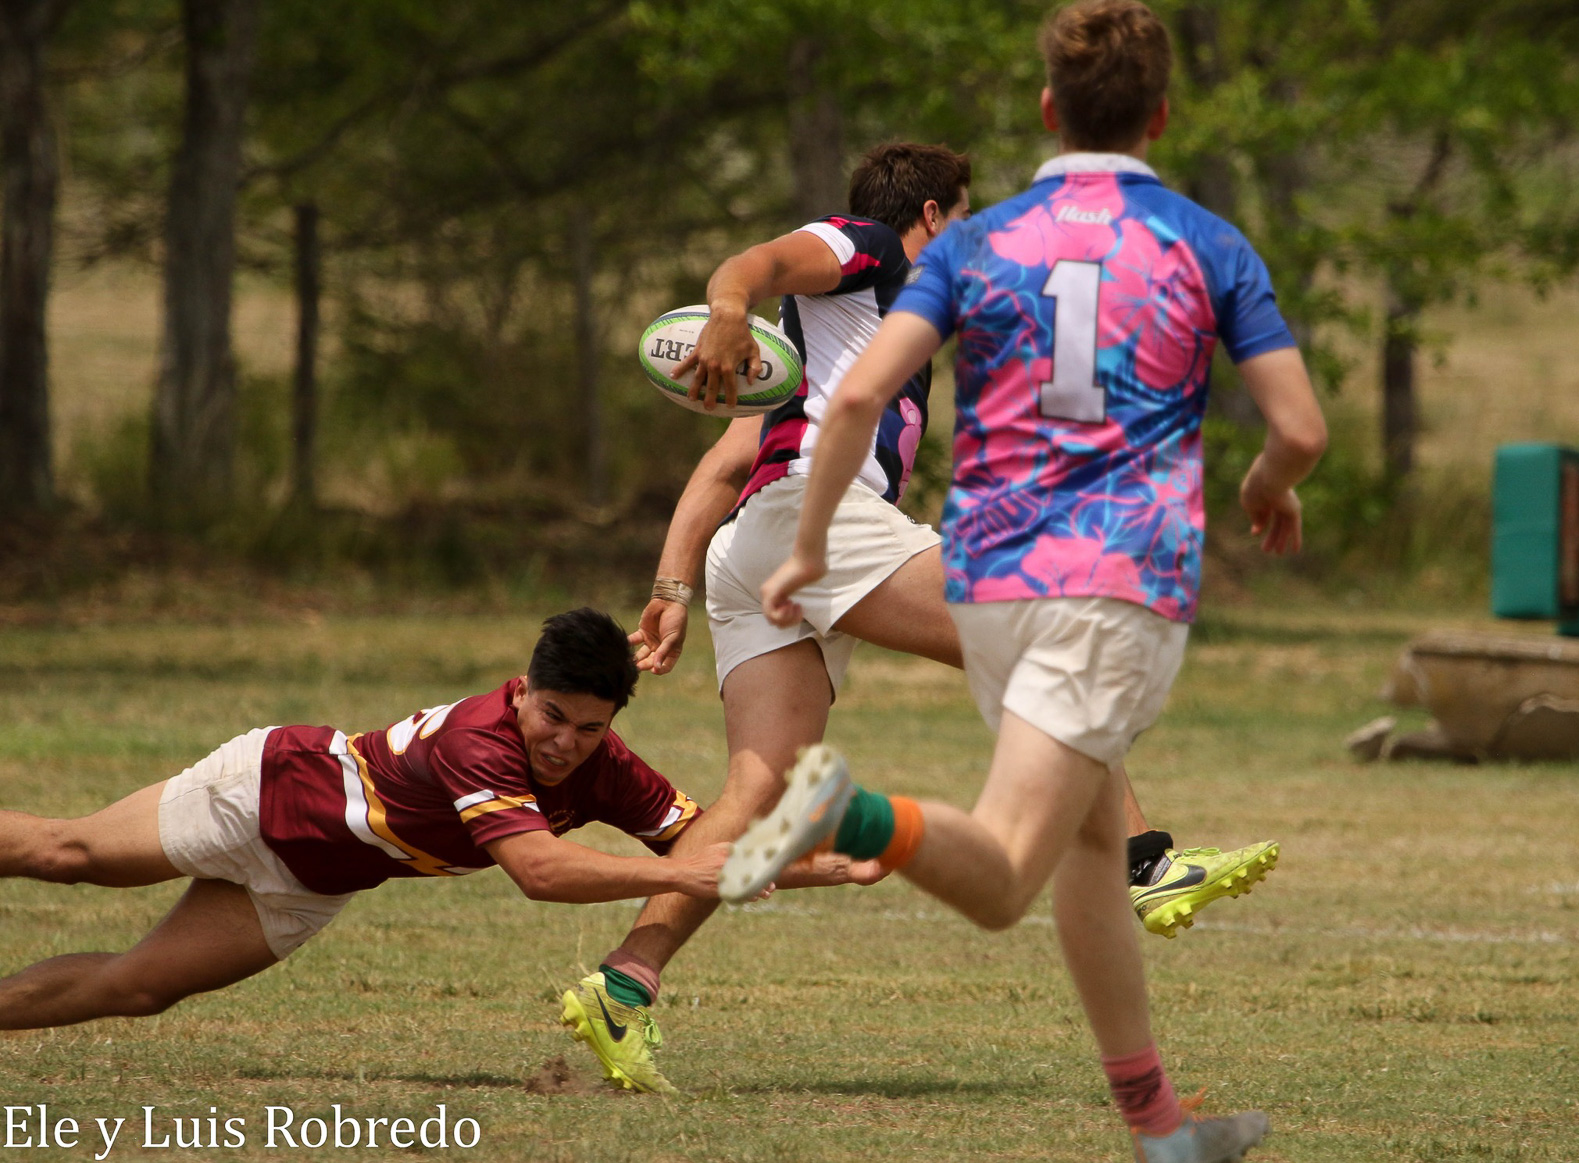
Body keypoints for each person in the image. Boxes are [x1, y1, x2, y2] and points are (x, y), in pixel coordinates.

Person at [560, 142, 1276, 1097]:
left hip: (758, 540)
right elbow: (750, 267)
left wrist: (676, 585)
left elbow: (734, 459)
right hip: (815, 519)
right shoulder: (868, 249)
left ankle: (623, 984)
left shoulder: (845, 337)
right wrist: (727, 307)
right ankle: (1146, 864)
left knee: (755, 790)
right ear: (933, 216)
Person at [746, 3, 1328, 1160]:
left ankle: (1159, 1127)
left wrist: (808, 543)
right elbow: (1299, 427)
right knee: (1010, 867)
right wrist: (1268, 483)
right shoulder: (1207, 243)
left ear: (1048, 112)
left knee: (1084, 850)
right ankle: (852, 810)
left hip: (990, 578)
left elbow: (855, 398)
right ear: (1160, 116)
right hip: (1111, 584)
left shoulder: (971, 243)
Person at [0, 609, 729, 1035]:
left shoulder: (604, 766)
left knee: (138, 989)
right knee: (70, 853)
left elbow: (708, 839)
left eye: (590, 727)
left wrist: (830, 860)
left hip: (312, 882)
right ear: (523, 691)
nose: (565, 742)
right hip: (265, 792)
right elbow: (539, 872)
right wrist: (680, 873)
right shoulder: (480, 739)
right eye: (553, 715)